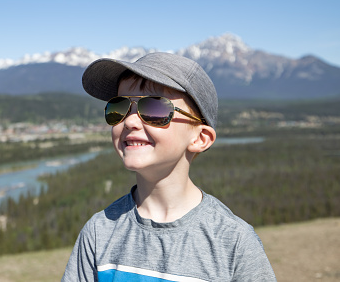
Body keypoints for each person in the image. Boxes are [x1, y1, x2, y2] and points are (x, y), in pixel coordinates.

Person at [62, 52, 276, 281]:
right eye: (120, 106)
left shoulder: (233, 242)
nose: (130, 121)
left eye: (154, 109)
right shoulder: (98, 233)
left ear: (200, 138)